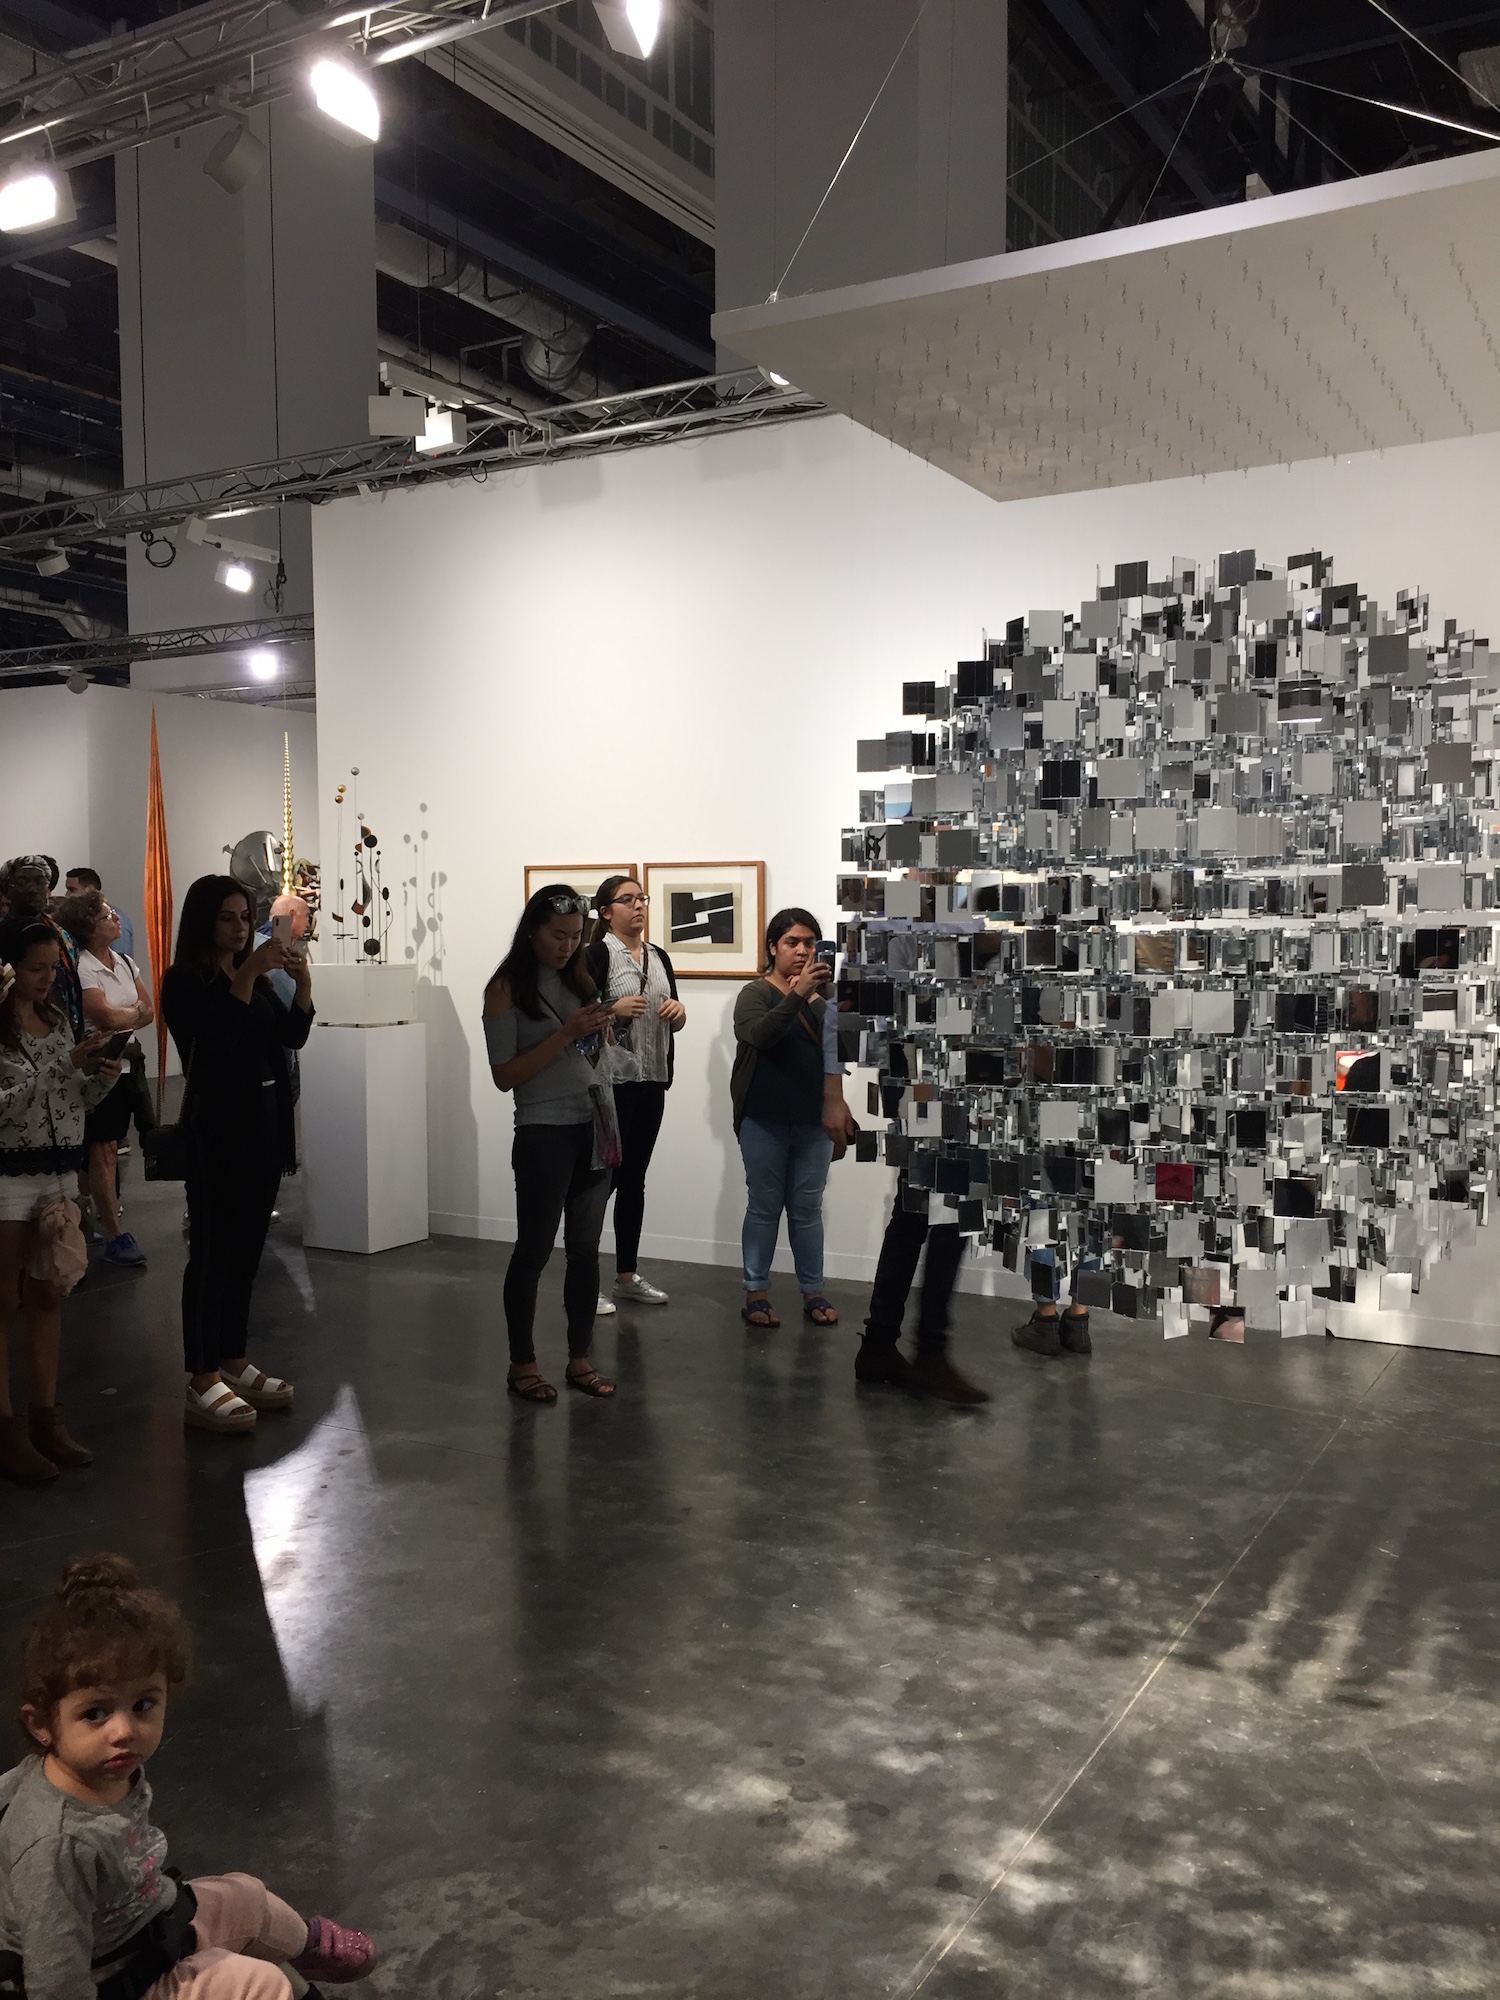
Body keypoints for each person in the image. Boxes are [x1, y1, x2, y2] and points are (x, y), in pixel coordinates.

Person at [0, 1552, 377, 1999]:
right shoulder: (57, 1848)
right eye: (95, 1713)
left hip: (145, 1923)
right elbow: (55, 1983)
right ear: (41, 1725)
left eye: (143, 1705)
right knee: (262, 1984)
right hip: (110, 1980)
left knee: (247, 1895)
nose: (124, 1731)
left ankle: (305, 1947)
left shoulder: (102, 1769)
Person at [160, 876, 312, 1436]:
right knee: (212, 1253)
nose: (240, 928)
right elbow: (216, 1043)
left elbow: (290, 1037)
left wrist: (302, 984)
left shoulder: (256, 977)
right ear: (204, 921)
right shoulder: (185, 981)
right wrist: (248, 974)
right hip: (216, 1131)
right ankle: (201, 1375)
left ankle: (232, 1358)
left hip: (262, 1128)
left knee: (247, 1251)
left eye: (246, 917)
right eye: (227, 918)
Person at [483, 884, 623, 1402]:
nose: (568, 946)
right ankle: (522, 1364)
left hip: (595, 1124)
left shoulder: (579, 977)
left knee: (585, 1251)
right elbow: (504, 1076)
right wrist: (565, 1034)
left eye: (576, 936)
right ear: (532, 932)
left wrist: (602, 1029)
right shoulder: (505, 990)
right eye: (557, 936)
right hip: (543, 1131)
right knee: (535, 1250)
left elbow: (592, 1054)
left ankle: (580, 1359)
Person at [0, 917, 119, 1484]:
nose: (46, 979)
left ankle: (46, 1418)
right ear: (10, 968)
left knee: (49, 1294)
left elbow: (72, 1096)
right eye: (35, 969)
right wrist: (63, 1066)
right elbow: (6, 1105)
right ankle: (6, 1428)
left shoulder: (57, 1021)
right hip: (7, 1174)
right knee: (4, 1299)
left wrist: (101, 1076)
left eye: (53, 968)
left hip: (57, 1170)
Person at [730, 907, 852, 1330]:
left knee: (807, 1209)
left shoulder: (826, 997)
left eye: (809, 943)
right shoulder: (755, 993)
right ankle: (756, 1293)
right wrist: (797, 993)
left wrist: (816, 997)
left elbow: (843, 1049)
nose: (802, 951)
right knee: (764, 1206)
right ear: (773, 947)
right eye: (792, 942)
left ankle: (812, 1290)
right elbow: (760, 1035)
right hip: (762, 1119)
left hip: (813, 1120)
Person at [584, 876, 687, 1309]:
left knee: (634, 1180)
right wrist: (613, 1008)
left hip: (652, 1080)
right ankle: (583, 1281)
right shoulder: (596, 955)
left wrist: (679, 1014)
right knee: (602, 1182)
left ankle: (626, 1274)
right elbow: (579, 1016)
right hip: (613, 1085)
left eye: (641, 898)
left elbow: (675, 1018)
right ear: (606, 912)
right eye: (627, 899)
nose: (638, 905)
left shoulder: (659, 956)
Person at [56, 889, 152, 1270]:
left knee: (102, 1150)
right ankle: (114, 1233)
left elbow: (149, 1010)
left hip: (126, 1067)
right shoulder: (82, 968)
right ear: (89, 927)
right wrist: (131, 1013)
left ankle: (86, 1215)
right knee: (104, 1150)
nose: (116, 919)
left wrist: (126, 1014)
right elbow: (107, 1017)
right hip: (99, 1067)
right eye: (106, 915)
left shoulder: (125, 962)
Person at [0, 857, 82, 1038]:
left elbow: (73, 988)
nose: (32, 890)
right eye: (22, 882)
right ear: (6, 890)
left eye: (39, 882)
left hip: (61, 1029)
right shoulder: (2, 936)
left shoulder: (64, 938)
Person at [65, 867, 135, 959]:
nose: (67, 895)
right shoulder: (79, 919)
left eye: (72, 889)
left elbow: (119, 960)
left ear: (90, 890)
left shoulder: (117, 919)